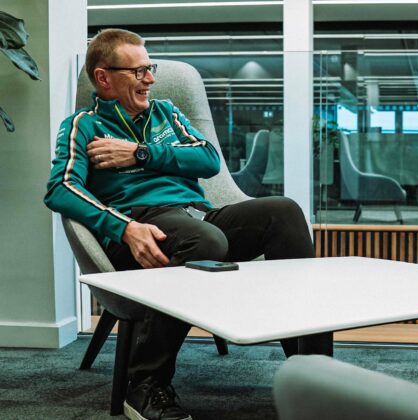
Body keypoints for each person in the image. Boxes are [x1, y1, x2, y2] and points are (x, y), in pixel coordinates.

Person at [45, 29, 317, 420]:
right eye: (138, 71)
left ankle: (311, 369)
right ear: (103, 78)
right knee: (205, 242)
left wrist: (140, 153)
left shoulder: (167, 113)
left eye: (149, 68)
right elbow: (61, 189)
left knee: (284, 212)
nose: (150, 79)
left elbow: (207, 159)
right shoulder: (82, 125)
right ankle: (144, 385)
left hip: (196, 214)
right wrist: (123, 228)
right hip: (141, 226)